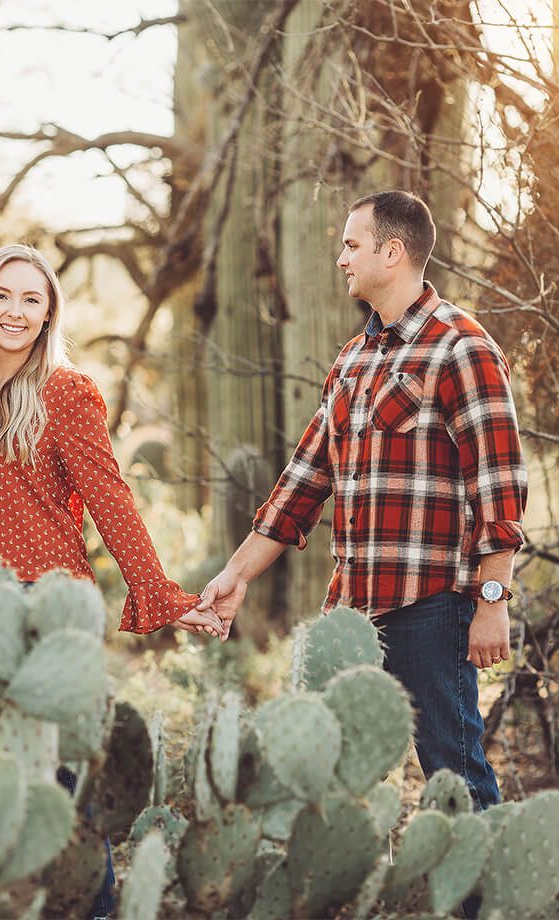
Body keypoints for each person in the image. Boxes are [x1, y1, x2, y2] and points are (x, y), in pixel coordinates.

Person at [197, 190, 526, 812]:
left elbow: (500, 485)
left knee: (454, 775)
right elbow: (303, 483)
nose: (342, 259)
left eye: (352, 245)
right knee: (323, 779)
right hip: (351, 616)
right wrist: (234, 576)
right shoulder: (352, 360)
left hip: (432, 609)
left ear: (393, 252)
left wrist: (492, 601)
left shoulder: (462, 348)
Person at [0, 242, 218, 637]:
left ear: (47, 315)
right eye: (1, 296)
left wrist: (157, 592)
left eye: (31, 300)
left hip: (48, 600)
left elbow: (110, 499)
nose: (15, 311)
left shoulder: (65, 392)